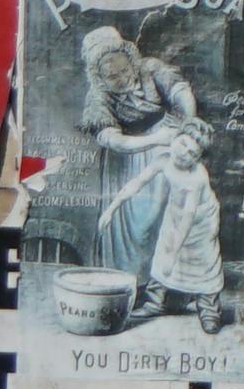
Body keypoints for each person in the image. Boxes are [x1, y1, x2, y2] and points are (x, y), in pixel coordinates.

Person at [76, 24, 235, 329]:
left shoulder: (150, 69)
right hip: (131, 158)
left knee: (166, 224)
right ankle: (133, 290)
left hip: (168, 147)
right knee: (134, 228)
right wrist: (152, 141)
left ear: (131, 60)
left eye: (124, 70)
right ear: (99, 76)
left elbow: (179, 89)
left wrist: (188, 118)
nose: (122, 79)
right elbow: (113, 140)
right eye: (112, 76)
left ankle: (172, 292)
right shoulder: (97, 98)